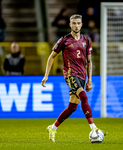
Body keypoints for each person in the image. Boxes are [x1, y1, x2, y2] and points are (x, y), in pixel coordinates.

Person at [41, 14, 100, 142]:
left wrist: (90, 80)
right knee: (83, 96)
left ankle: (53, 127)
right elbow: (51, 56)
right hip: (70, 75)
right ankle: (93, 128)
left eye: (78, 23)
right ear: (70, 25)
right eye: (74, 23)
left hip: (82, 76)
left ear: (82, 24)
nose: (76, 25)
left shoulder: (87, 40)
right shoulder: (64, 40)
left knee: (72, 107)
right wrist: (46, 75)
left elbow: (89, 61)